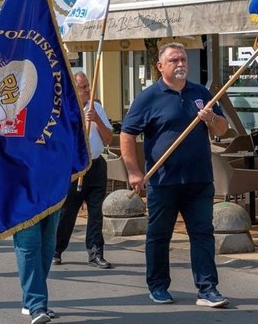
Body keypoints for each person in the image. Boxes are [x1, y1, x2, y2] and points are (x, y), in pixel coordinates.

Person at [121, 43, 229, 307]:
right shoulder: (148, 97)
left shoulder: (201, 93)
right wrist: (135, 171)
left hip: (199, 179)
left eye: (183, 59)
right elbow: (127, 133)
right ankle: (158, 286)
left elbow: (223, 129)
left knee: (203, 234)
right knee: (159, 235)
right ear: (160, 66)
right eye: (174, 60)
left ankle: (207, 289)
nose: (180, 63)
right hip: (163, 180)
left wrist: (210, 119)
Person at [53, 72, 113, 268]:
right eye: (83, 87)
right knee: (67, 212)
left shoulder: (96, 108)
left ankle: (96, 253)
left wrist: (96, 120)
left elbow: (108, 139)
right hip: (74, 168)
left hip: (96, 166)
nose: (88, 90)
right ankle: (56, 250)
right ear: (73, 89)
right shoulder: (64, 110)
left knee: (96, 213)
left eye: (88, 86)